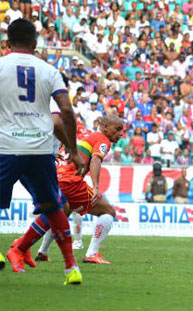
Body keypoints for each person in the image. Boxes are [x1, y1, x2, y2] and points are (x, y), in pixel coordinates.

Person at [1, 19, 84, 284]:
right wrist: (73, 150)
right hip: (39, 149)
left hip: (6, 147)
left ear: (6, 42)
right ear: (35, 43)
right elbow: (66, 112)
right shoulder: (49, 71)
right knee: (54, 207)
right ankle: (71, 268)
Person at [28, 115, 124, 265]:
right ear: (105, 127)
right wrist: (96, 186)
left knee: (60, 214)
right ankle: (92, 254)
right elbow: (95, 160)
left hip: (54, 178)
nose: (121, 134)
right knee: (108, 211)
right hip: (70, 181)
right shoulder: (102, 139)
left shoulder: (79, 133)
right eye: (118, 129)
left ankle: (41, 251)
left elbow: (65, 119)